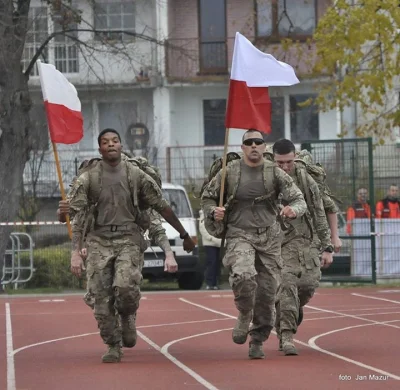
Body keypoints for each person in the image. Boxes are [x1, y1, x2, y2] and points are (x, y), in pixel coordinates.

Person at [64, 128, 195, 363]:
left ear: (121, 145)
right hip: (99, 241)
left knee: (125, 288)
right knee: (100, 302)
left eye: (115, 141)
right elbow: (77, 216)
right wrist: (75, 251)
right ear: (100, 148)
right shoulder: (89, 178)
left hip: (128, 240)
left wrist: (184, 234)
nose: (111, 145)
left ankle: (127, 316)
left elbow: (161, 207)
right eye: (105, 142)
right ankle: (113, 345)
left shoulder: (135, 175)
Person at [201, 129, 307, 360]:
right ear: (242, 148)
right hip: (240, 234)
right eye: (248, 142)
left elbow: (299, 199)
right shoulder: (229, 173)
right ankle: (243, 312)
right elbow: (207, 197)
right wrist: (213, 210)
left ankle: (257, 339)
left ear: (264, 146)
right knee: (243, 276)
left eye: (258, 142)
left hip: (269, 238)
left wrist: (293, 209)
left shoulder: (274, 173)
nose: (253, 146)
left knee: (268, 294)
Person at [271, 139, 334, 356]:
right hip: (279, 242)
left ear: (295, 157)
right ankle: (286, 337)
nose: (285, 167)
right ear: (273, 159)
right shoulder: (266, 178)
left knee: (307, 286)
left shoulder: (306, 180)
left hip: (307, 240)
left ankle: (292, 309)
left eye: (288, 162)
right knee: (288, 284)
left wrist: (327, 247)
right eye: (280, 163)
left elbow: (319, 212)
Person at [199, 209, 222, 290]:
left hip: (219, 242)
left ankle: (215, 282)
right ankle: (210, 283)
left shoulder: (219, 212)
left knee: (217, 263)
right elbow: (202, 228)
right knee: (212, 262)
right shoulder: (204, 213)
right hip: (209, 243)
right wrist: (211, 238)